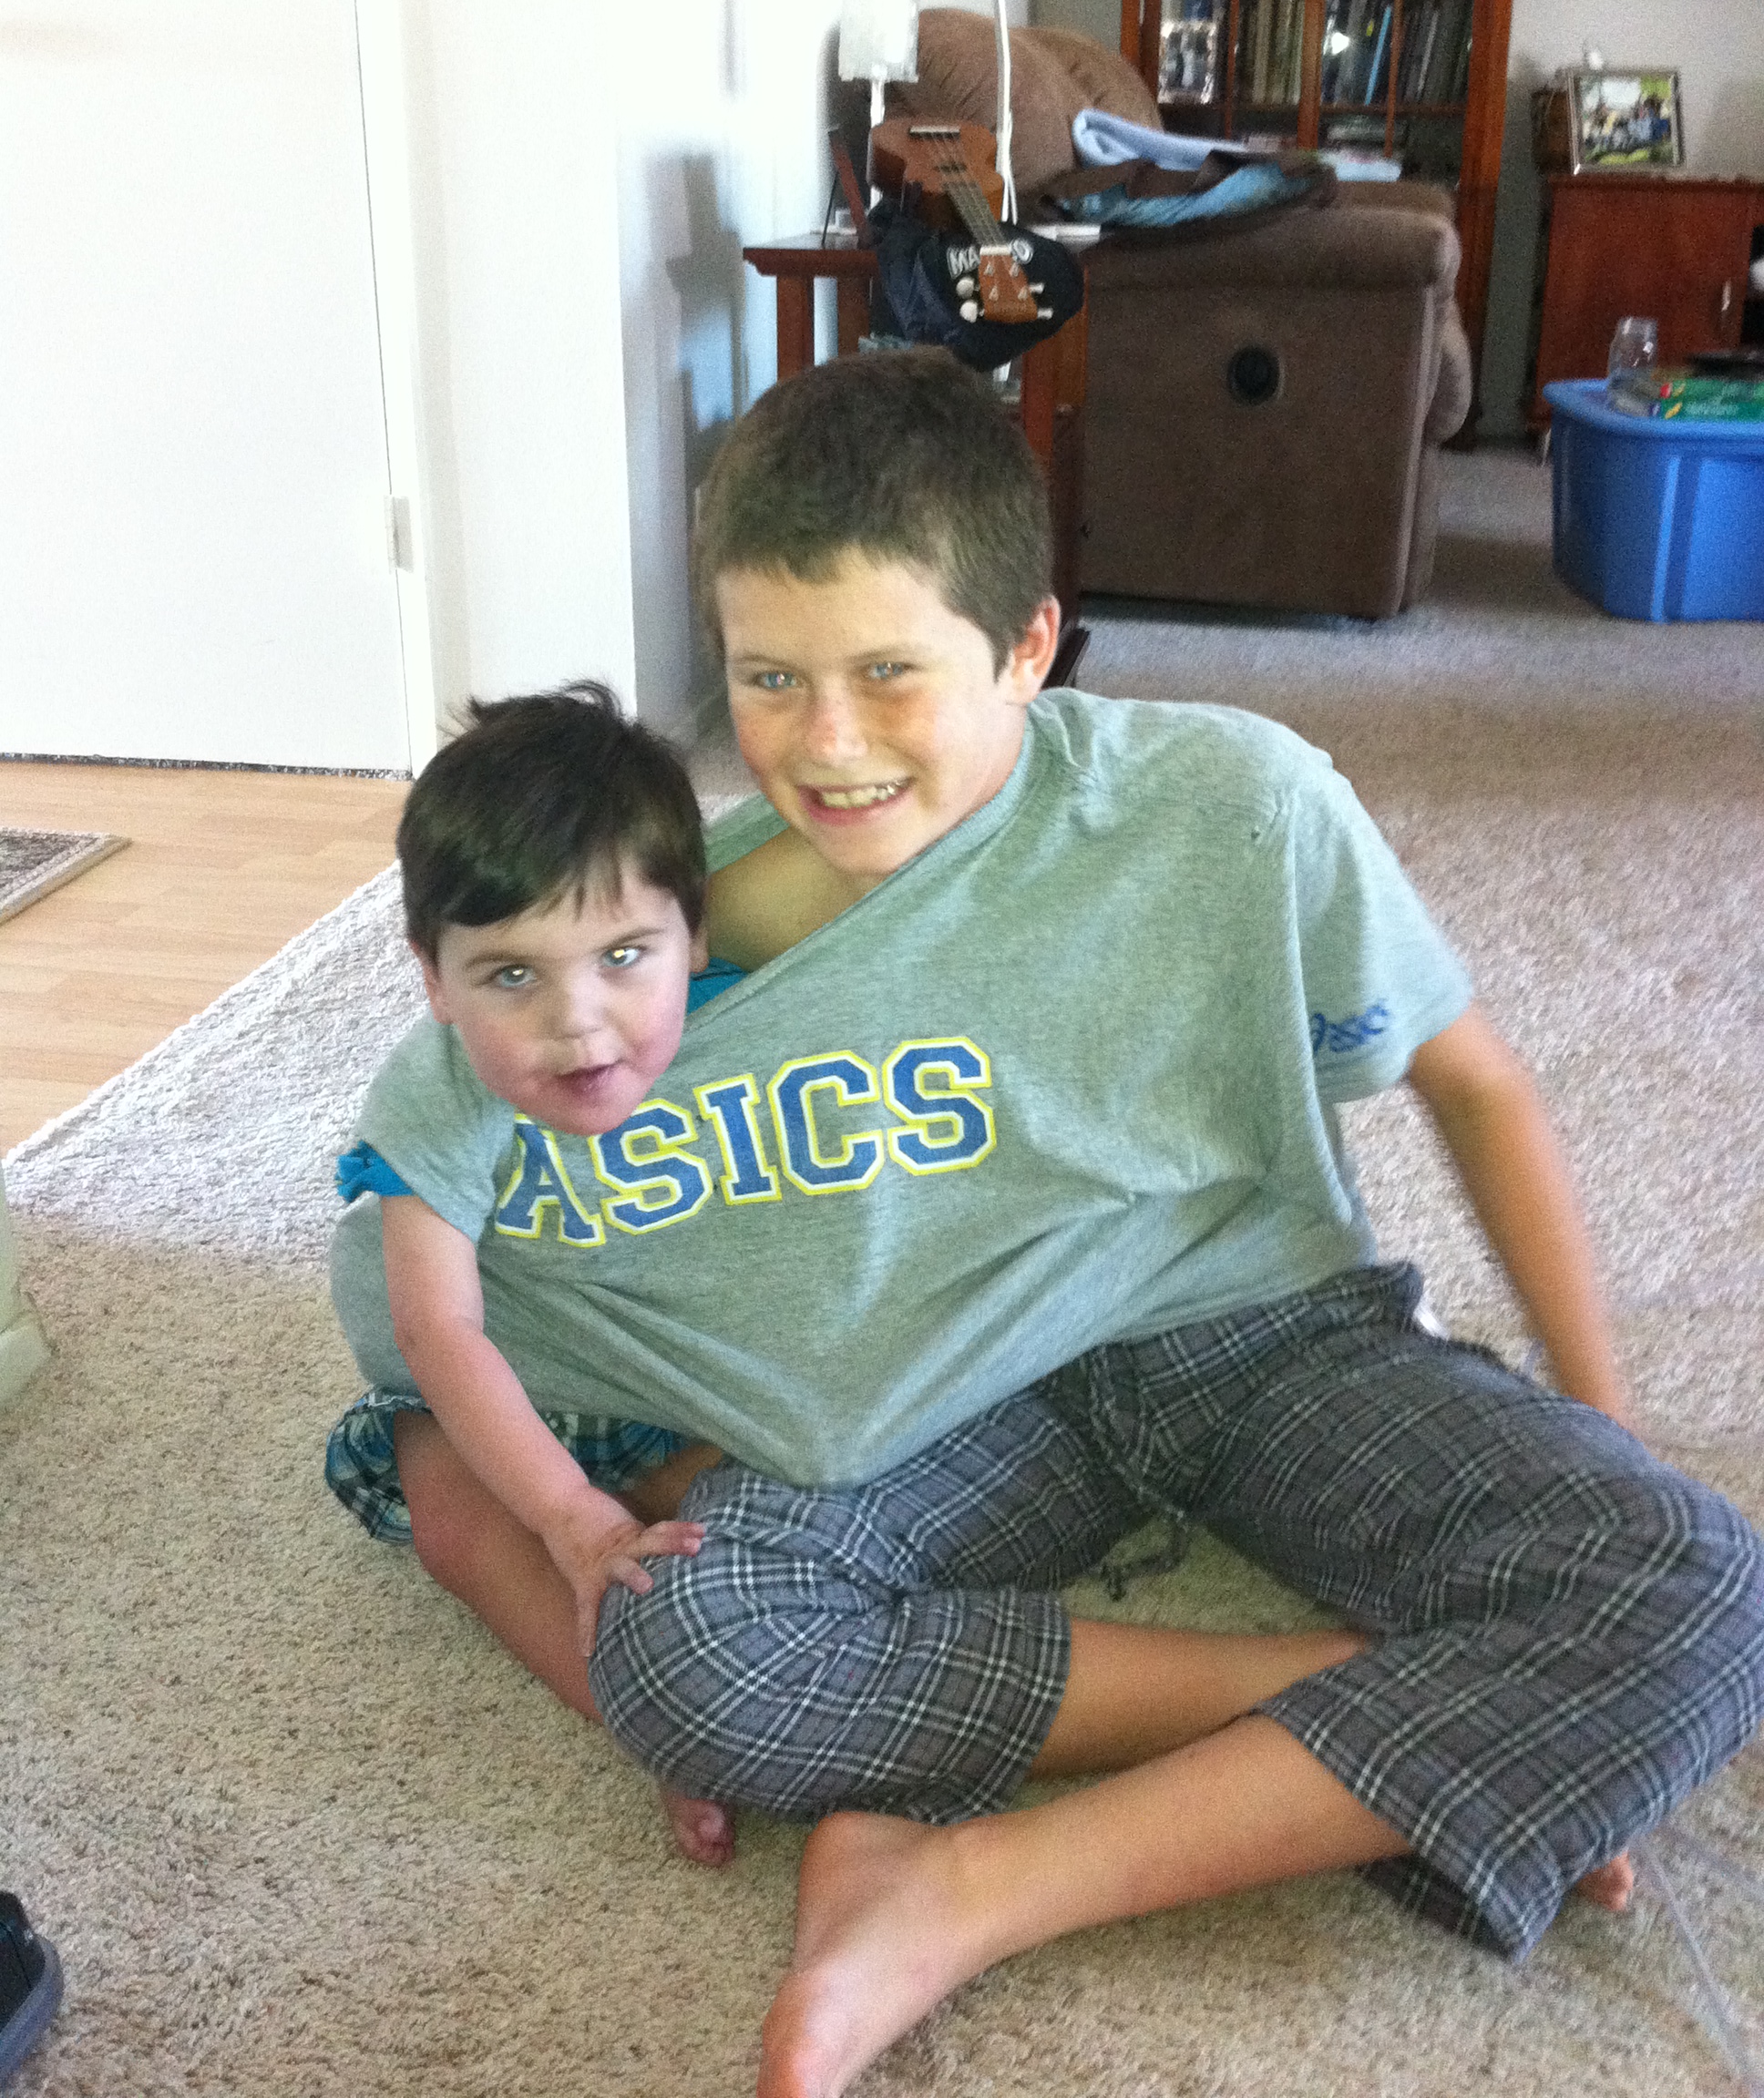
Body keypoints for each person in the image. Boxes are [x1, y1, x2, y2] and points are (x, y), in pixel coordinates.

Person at [350, 351, 1762, 2098]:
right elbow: (460, 1197)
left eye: (888, 672)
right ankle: (1415, 1721)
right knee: (686, 1646)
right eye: (770, 677)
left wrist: (1600, 1435)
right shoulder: (691, 930)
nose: (826, 744)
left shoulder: (1240, 801)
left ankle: (966, 1886)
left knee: (1692, 1581)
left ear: (1029, 645)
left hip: (1259, 1333)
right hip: (958, 1401)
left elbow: (1475, 1087)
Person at [323, 681, 737, 1863]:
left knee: (783, 1490)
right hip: (494, 1387)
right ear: (433, 979)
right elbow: (438, 1331)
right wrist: (564, 1515)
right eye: (512, 975)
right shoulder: (436, 1090)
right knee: (457, 1522)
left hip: (671, 1376)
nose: (579, 1023)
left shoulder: (747, 1034)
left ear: (695, 938)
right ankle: (650, 1726)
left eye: (623, 956)